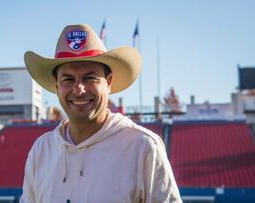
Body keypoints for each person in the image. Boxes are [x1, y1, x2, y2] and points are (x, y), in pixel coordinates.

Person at [21, 24, 182, 203]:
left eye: (90, 78)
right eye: (68, 79)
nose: (79, 89)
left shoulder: (143, 147)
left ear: (109, 82)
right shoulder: (41, 150)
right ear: (57, 86)